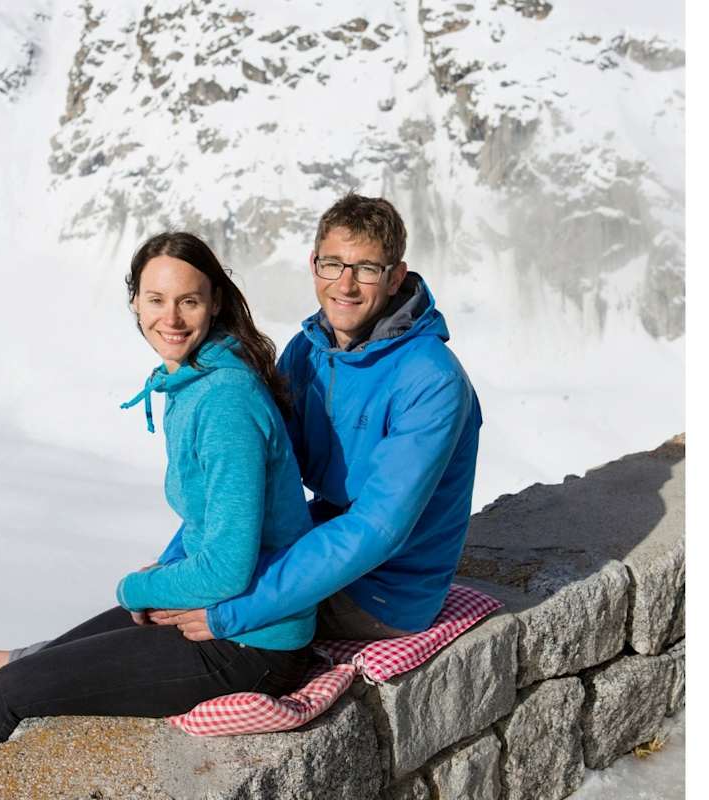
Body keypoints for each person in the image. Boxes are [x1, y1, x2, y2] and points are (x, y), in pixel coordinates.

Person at [0, 232, 316, 759]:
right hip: (228, 616)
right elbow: (210, 522)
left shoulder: (224, 403)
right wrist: (163, 579)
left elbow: (227, 569)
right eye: (156, 300)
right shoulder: (194, 377)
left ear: (215, 302)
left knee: (15, 694)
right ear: (135, 302)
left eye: (188, 301)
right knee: (53, 659)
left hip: (250, 644)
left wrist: (134, 588)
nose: (170, 318)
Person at [149, 194, 483, 644]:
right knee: (168, 597)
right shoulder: (307, 351)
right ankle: (34, 661)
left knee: (180, 627)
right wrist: (178, 563)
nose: (345, 285)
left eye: (366, 269)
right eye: (333, 264)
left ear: (395, 277)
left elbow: (375, 529)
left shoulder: (431, 380)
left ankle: (34, 674)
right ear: (313, 265)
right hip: (319, 545)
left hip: (386, 595)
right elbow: (245, 478)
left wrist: (239, 610)